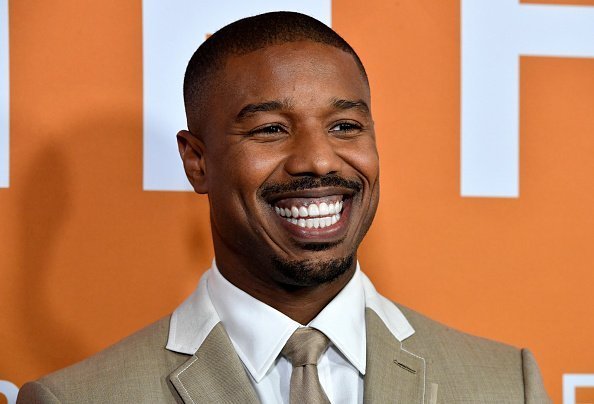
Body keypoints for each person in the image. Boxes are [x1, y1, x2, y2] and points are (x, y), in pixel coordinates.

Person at [17, 11, 551, 403]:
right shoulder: (77, 398)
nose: (319, 160)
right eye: (271, 129)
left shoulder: (506, 384)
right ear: (197, 162)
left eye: (345, 126)